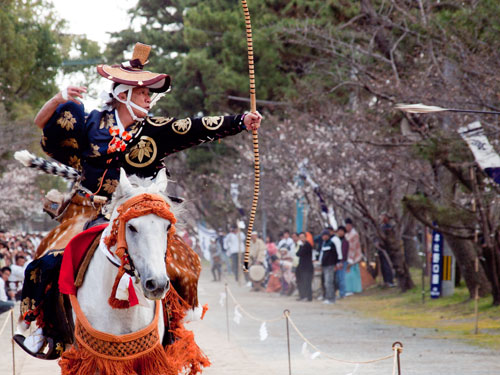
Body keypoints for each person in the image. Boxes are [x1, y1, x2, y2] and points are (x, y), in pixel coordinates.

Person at [16, 42, 262, 357]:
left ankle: (175, 329)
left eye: (149, 93)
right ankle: (45, 331)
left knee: (184, 264)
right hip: (90, 208)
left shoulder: (155, 130)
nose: (150, 98)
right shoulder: (91, 124)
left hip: (141, 208)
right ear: (122, 94)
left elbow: (195, 127)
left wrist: (242, 121)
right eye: (144, 93)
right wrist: (60, 97)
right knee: (45, 263)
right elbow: (42, 124)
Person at [319, 229, 341, 304]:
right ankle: (327, 297)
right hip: (325, 266)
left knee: (329, 282)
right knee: (326, 282)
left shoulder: (331, 243)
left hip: (330, 265)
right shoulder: (324, 244)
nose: (324, 237)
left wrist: (336, 264)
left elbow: (335, 255)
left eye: (325, 235)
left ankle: (331, 298)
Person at [345, 218, 362, 294]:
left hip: (354, 255)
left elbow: (354, 246)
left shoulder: (354, 234)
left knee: (353, 273)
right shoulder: (347, 234)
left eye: (348, 226)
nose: (347, 227)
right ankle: (348, 289)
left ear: (350, 225)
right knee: (348, 274)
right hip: (347, 255)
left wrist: (351, 257)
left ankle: (354, 289)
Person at [296, 232, 314, 301]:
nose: (301, 239)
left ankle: (308, 297)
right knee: (302, 282)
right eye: (300, 237)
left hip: (307, 267)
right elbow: (297, 253)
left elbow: (300, 253)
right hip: (302, 266)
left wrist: (300, 246)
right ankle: (303, 296)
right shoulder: (302, 245)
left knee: (307, 282)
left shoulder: (307, 245)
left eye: (303, 237)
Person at [335, 226, 349, 299]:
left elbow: (344, 252)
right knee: (337, 278)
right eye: (339, 231)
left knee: (342, 278)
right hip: (336, 262)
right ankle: (339, 293)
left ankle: (342, 293)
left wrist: (341, 261)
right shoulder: (336, 240)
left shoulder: (345, 241)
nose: (340, 232)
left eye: (341, 231)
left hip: (342, 261)